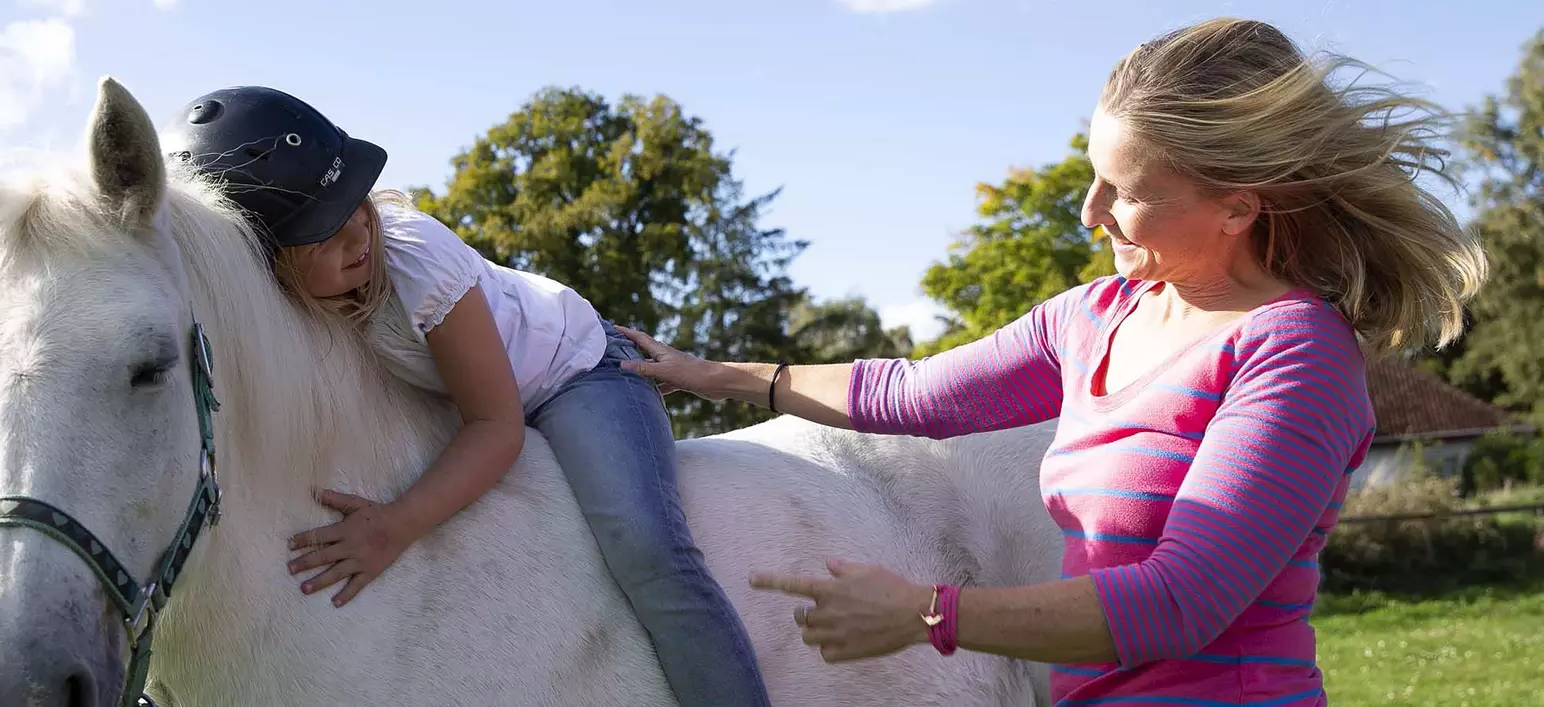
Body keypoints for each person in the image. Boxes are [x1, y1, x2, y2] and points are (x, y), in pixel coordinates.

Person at [616, 17, 1486, 706]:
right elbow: (911, 393)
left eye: (1128, 192)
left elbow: (1178, 602)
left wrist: (925, 614)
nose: (1089, 210)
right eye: (1094, 174)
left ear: (1236, 208)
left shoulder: (1295, 354)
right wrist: (722, 375)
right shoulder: (1096, 318)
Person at [157, 85, 773, 706]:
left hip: (576, 372)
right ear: (264, 266)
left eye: (358, 208)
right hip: (457, 394)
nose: (358, 239)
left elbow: (495, 426)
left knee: (646, 546)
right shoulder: (282, 313)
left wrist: (395, 526)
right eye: (324, 238)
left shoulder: (417, 259)